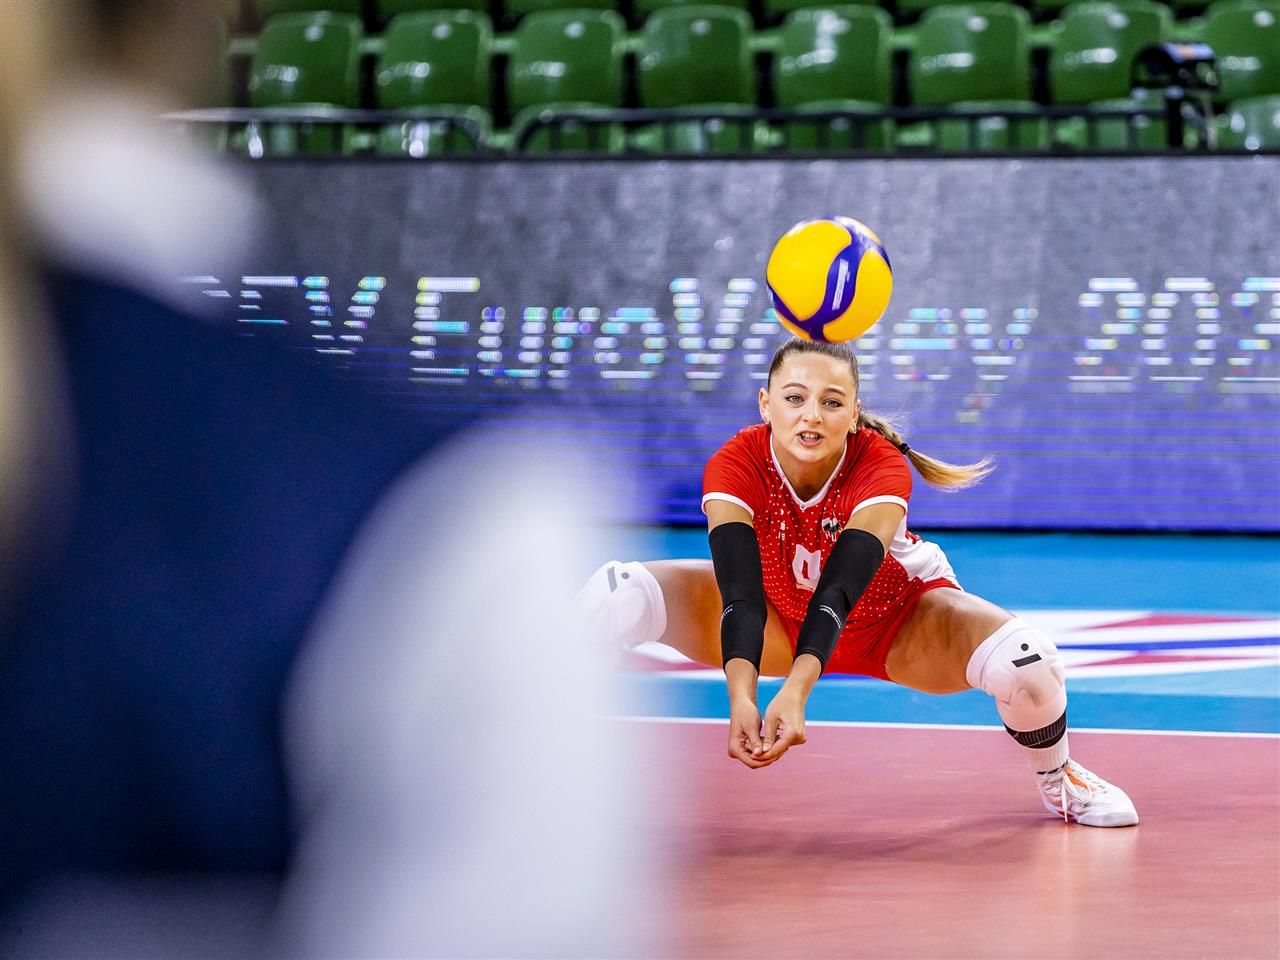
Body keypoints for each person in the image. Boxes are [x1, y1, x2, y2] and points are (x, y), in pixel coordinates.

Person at [577, 337, 1139, 827]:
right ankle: (549, 768)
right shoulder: (736, 463)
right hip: (779, 619)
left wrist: (795, 693)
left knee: (1028, 662)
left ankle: (1060, 779)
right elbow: (741, 594)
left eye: (831, 402)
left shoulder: (879, 465)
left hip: (899, 624)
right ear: (765, 404)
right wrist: (741, 700)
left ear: (854, 413)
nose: (811, 416)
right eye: (794, 398)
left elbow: (839, 590)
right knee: (617, 594)